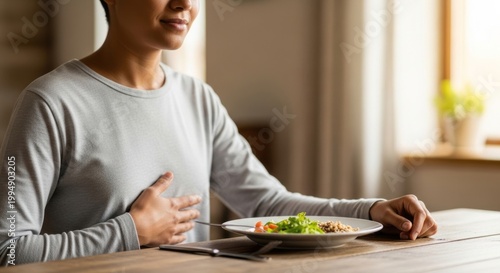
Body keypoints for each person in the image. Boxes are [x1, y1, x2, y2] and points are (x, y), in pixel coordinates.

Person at [0, 0, 437, 266]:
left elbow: (267, 203)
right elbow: (9, 251)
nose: (184, 3)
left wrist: (371, 211)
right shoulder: (49, 103)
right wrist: (130, 231)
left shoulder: (197, 97)